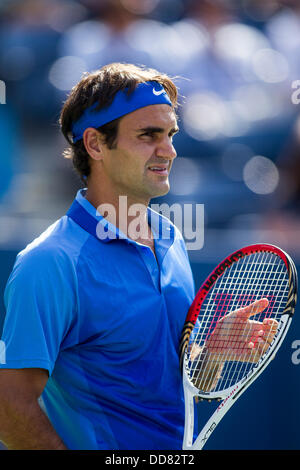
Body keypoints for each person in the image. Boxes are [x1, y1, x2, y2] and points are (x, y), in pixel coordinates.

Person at [0, 62, 277, 450]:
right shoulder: (50, 263)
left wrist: (210, 353)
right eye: (149, 135)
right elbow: (9, 405)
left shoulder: (171, 237)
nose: (170, 150)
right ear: (95, 144)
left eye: (170, 134)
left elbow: (177, 383)